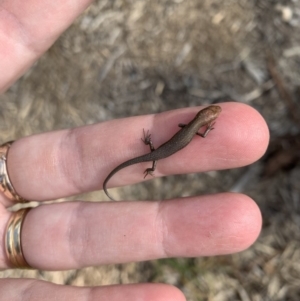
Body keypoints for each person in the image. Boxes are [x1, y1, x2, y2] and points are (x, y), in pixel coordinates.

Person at [0, 1, 269, 300]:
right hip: (161, 152)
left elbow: (184, 126)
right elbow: (199, 136)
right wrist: (172, 148)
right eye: (212, 115)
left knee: (151, 156)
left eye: (212, 115)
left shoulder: (191, 123)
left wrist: (158, 150)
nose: (213, 115)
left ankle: (146, 163)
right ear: (206, 116)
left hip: (161, 151)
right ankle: (144, 165)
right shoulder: (199, 129)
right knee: (150, 158)